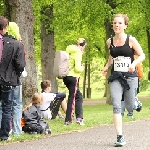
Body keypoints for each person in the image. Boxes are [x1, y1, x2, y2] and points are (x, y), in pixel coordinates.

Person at [102, 14, 145, 147]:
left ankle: (135, 102)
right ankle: (120, 136)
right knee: (116, 104)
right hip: (116, 76)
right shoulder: (109, 41)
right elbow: (112, 56)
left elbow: (142, 55)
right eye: (115, 23)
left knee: (130, 106)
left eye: (120, 23)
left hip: (131, 76)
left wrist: (133, 64)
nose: (116, 25)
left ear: (125, 25)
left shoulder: (131, 40)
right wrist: (106, 66)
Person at [0, 16, 26, 141]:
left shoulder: (2, 42)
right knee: (10, 107)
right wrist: (18, 73)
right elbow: (20, 64)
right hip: (10, 80)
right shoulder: (17, 44)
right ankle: (9, 133)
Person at [63, 38, 86, 126]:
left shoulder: (69, 50)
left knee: (78, 96)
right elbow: (77, 68)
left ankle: (79, 118)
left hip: (66, 76)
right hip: (73, 77)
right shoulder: (78, 52)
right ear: (83, 46)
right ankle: (68, 120)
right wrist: (82, 67)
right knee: (72, 98)